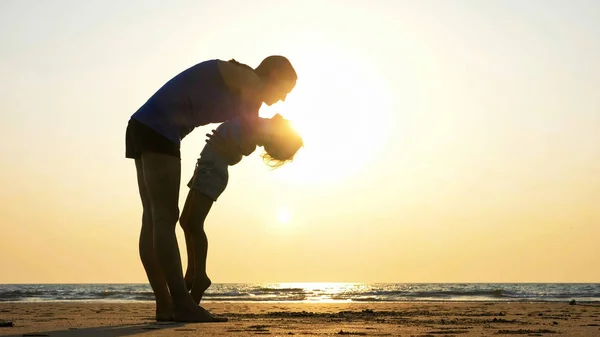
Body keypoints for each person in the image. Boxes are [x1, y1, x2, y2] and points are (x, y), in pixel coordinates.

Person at [125, 56, 297, 322]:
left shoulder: (246, 91)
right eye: (285, 89)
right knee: (165, 217)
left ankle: (165, 304)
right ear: (274, 75)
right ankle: (180, 302)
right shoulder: (248, 81)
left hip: (143, 124)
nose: (284, 98)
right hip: (159, 128)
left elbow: (247, 138)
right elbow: (251, 130)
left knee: (154, 218)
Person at [179, 114, 303, 305]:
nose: (284, 119)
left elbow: (239, 153)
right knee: (186, 221)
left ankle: (200, 277)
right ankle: (192, 271)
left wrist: (224, 149)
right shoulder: (256, 123)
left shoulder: (256, 132)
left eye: (285, 125)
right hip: (204, 168)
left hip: (213, 172)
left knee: (194, 223)